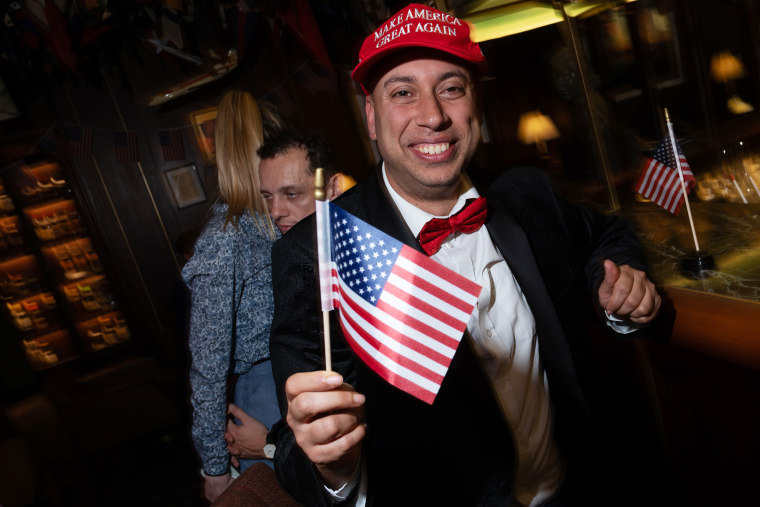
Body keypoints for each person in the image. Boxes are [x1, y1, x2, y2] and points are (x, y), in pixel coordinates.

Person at [267, 4, 662, 506]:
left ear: (475, 103)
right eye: (403, 92)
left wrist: (622, 285)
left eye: (451, 88)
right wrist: (334, 466)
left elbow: (608, 233)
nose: (432, 116)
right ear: (371, 116)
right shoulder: (319, 251)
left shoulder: (526, 192)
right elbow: (293, 450)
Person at [182, 89, 284, 503]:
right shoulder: (285, 216)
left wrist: (215, 470)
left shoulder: (229, 235)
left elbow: (207, 367)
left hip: (268, 395)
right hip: (284, 386)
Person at [223, 127, 345, 463]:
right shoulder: (290, 253)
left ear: (332, 188)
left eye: (291, 194)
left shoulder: (353, 256)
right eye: (267, 196)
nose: (276, 211)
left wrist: (270, 446)